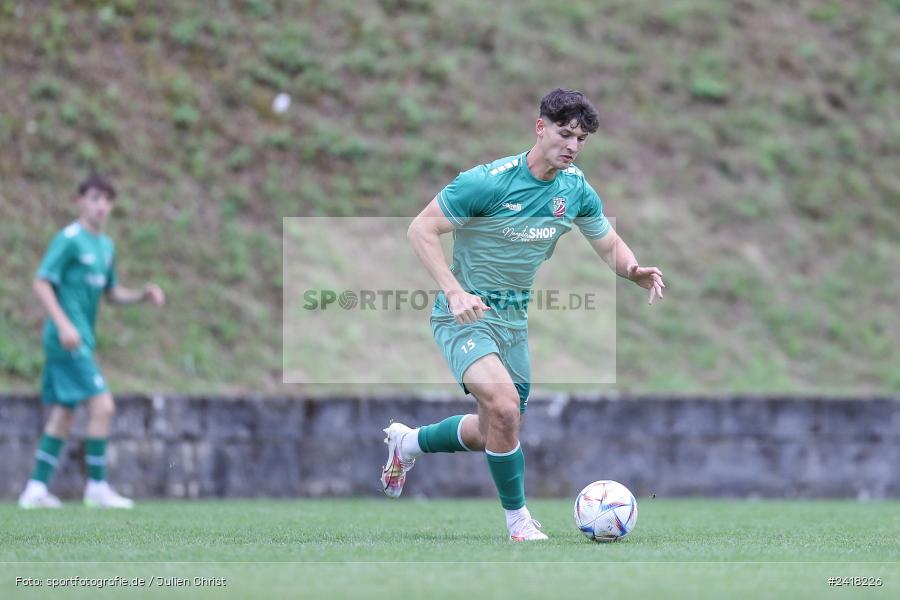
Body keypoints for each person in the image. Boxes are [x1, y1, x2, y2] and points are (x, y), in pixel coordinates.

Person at [381, 89, 666, 541]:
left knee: (493, 427)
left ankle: (408, 442)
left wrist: (632, 270)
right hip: (465, 316)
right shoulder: (488, 181)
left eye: (582, 138)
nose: (572, 145)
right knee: (505, 407)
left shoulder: (575, 190)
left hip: (513, 324)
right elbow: (421, 229)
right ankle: (519, 523)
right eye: (564, 133)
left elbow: (608, 243)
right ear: (540, 128)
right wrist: (454, 293)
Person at [18, 175, 166, 509]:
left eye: (106, 200)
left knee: (64, 414)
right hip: (67, 340)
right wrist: (63, 324)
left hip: (81, 338)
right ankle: (97, 487)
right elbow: (41, 282)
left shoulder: (106, 246)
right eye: (94, 198)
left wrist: (141, 295)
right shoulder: (68, 240)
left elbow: (111, 292)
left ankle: (35, 489)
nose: (101, 206)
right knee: (104, 406)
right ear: (80, 202)